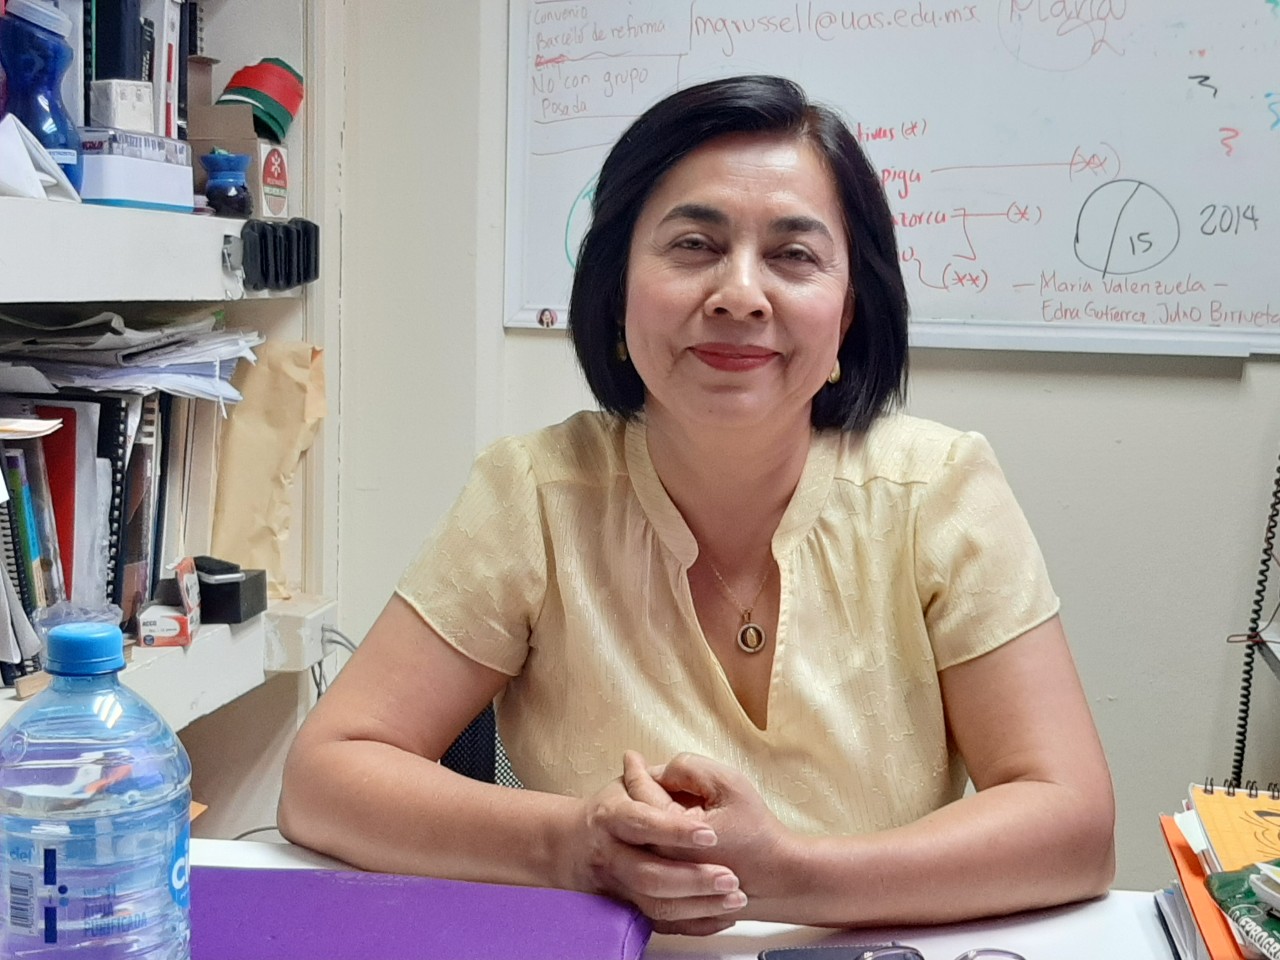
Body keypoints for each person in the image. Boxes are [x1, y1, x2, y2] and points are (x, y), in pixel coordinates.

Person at [277, 75, 1115, 935]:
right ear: (617, 288)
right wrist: (577, 847)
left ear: (848, 311)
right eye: (693, 245)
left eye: (794, 255)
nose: (740, 294)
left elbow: (1074, 825)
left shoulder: (938, 490)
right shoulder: (534, 492)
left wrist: (790, 876)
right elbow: (325, 777)